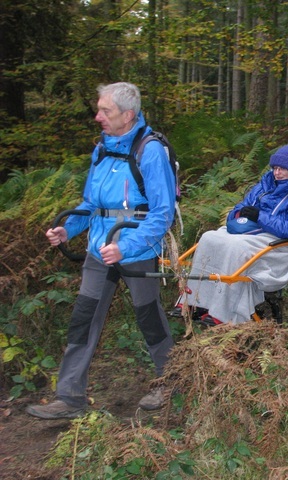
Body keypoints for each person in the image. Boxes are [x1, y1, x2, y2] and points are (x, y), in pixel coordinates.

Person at [26, 82, 176, 419]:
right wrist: (68, 229)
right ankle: (69, 398)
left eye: (105, 111)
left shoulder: (149, 151)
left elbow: (161, 213)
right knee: (83, 319)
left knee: (149, 317)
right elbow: (91, 204)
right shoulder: (102, 149)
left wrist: (126, 247)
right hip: (98, 250)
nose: (98, 117)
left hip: (135, 250)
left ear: (128, 114)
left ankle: (169, 381)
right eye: (99, 109)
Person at [172, 144, 288, 325]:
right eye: (275, 168)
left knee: (235, 248)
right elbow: (240, 207)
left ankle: (222, 312)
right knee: (208, 238)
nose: (277, 173)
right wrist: (238, 214)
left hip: (275, 240)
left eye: (282, 169)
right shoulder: (263, 186)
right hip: (249, 231)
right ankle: (194, 301)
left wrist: (260, 216)